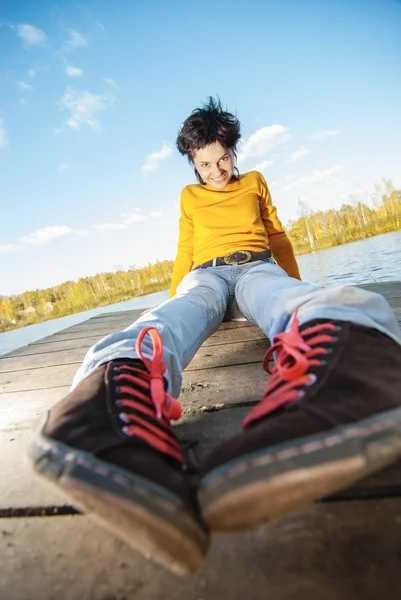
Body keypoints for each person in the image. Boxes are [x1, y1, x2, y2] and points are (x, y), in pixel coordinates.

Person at [30, 97, 401, 576]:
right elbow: (185, 249)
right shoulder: (189, 198)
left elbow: (278, 234)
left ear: (233, 149)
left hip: (254, 267)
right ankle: (111, 390)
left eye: (222, 157)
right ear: (192, 162)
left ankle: (350, 356)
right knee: (182, 310)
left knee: (277, 294)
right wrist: (174, 300)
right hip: (204, 277)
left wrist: (292, 284)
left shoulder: (255, 183)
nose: (216, 170)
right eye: (204, 163)